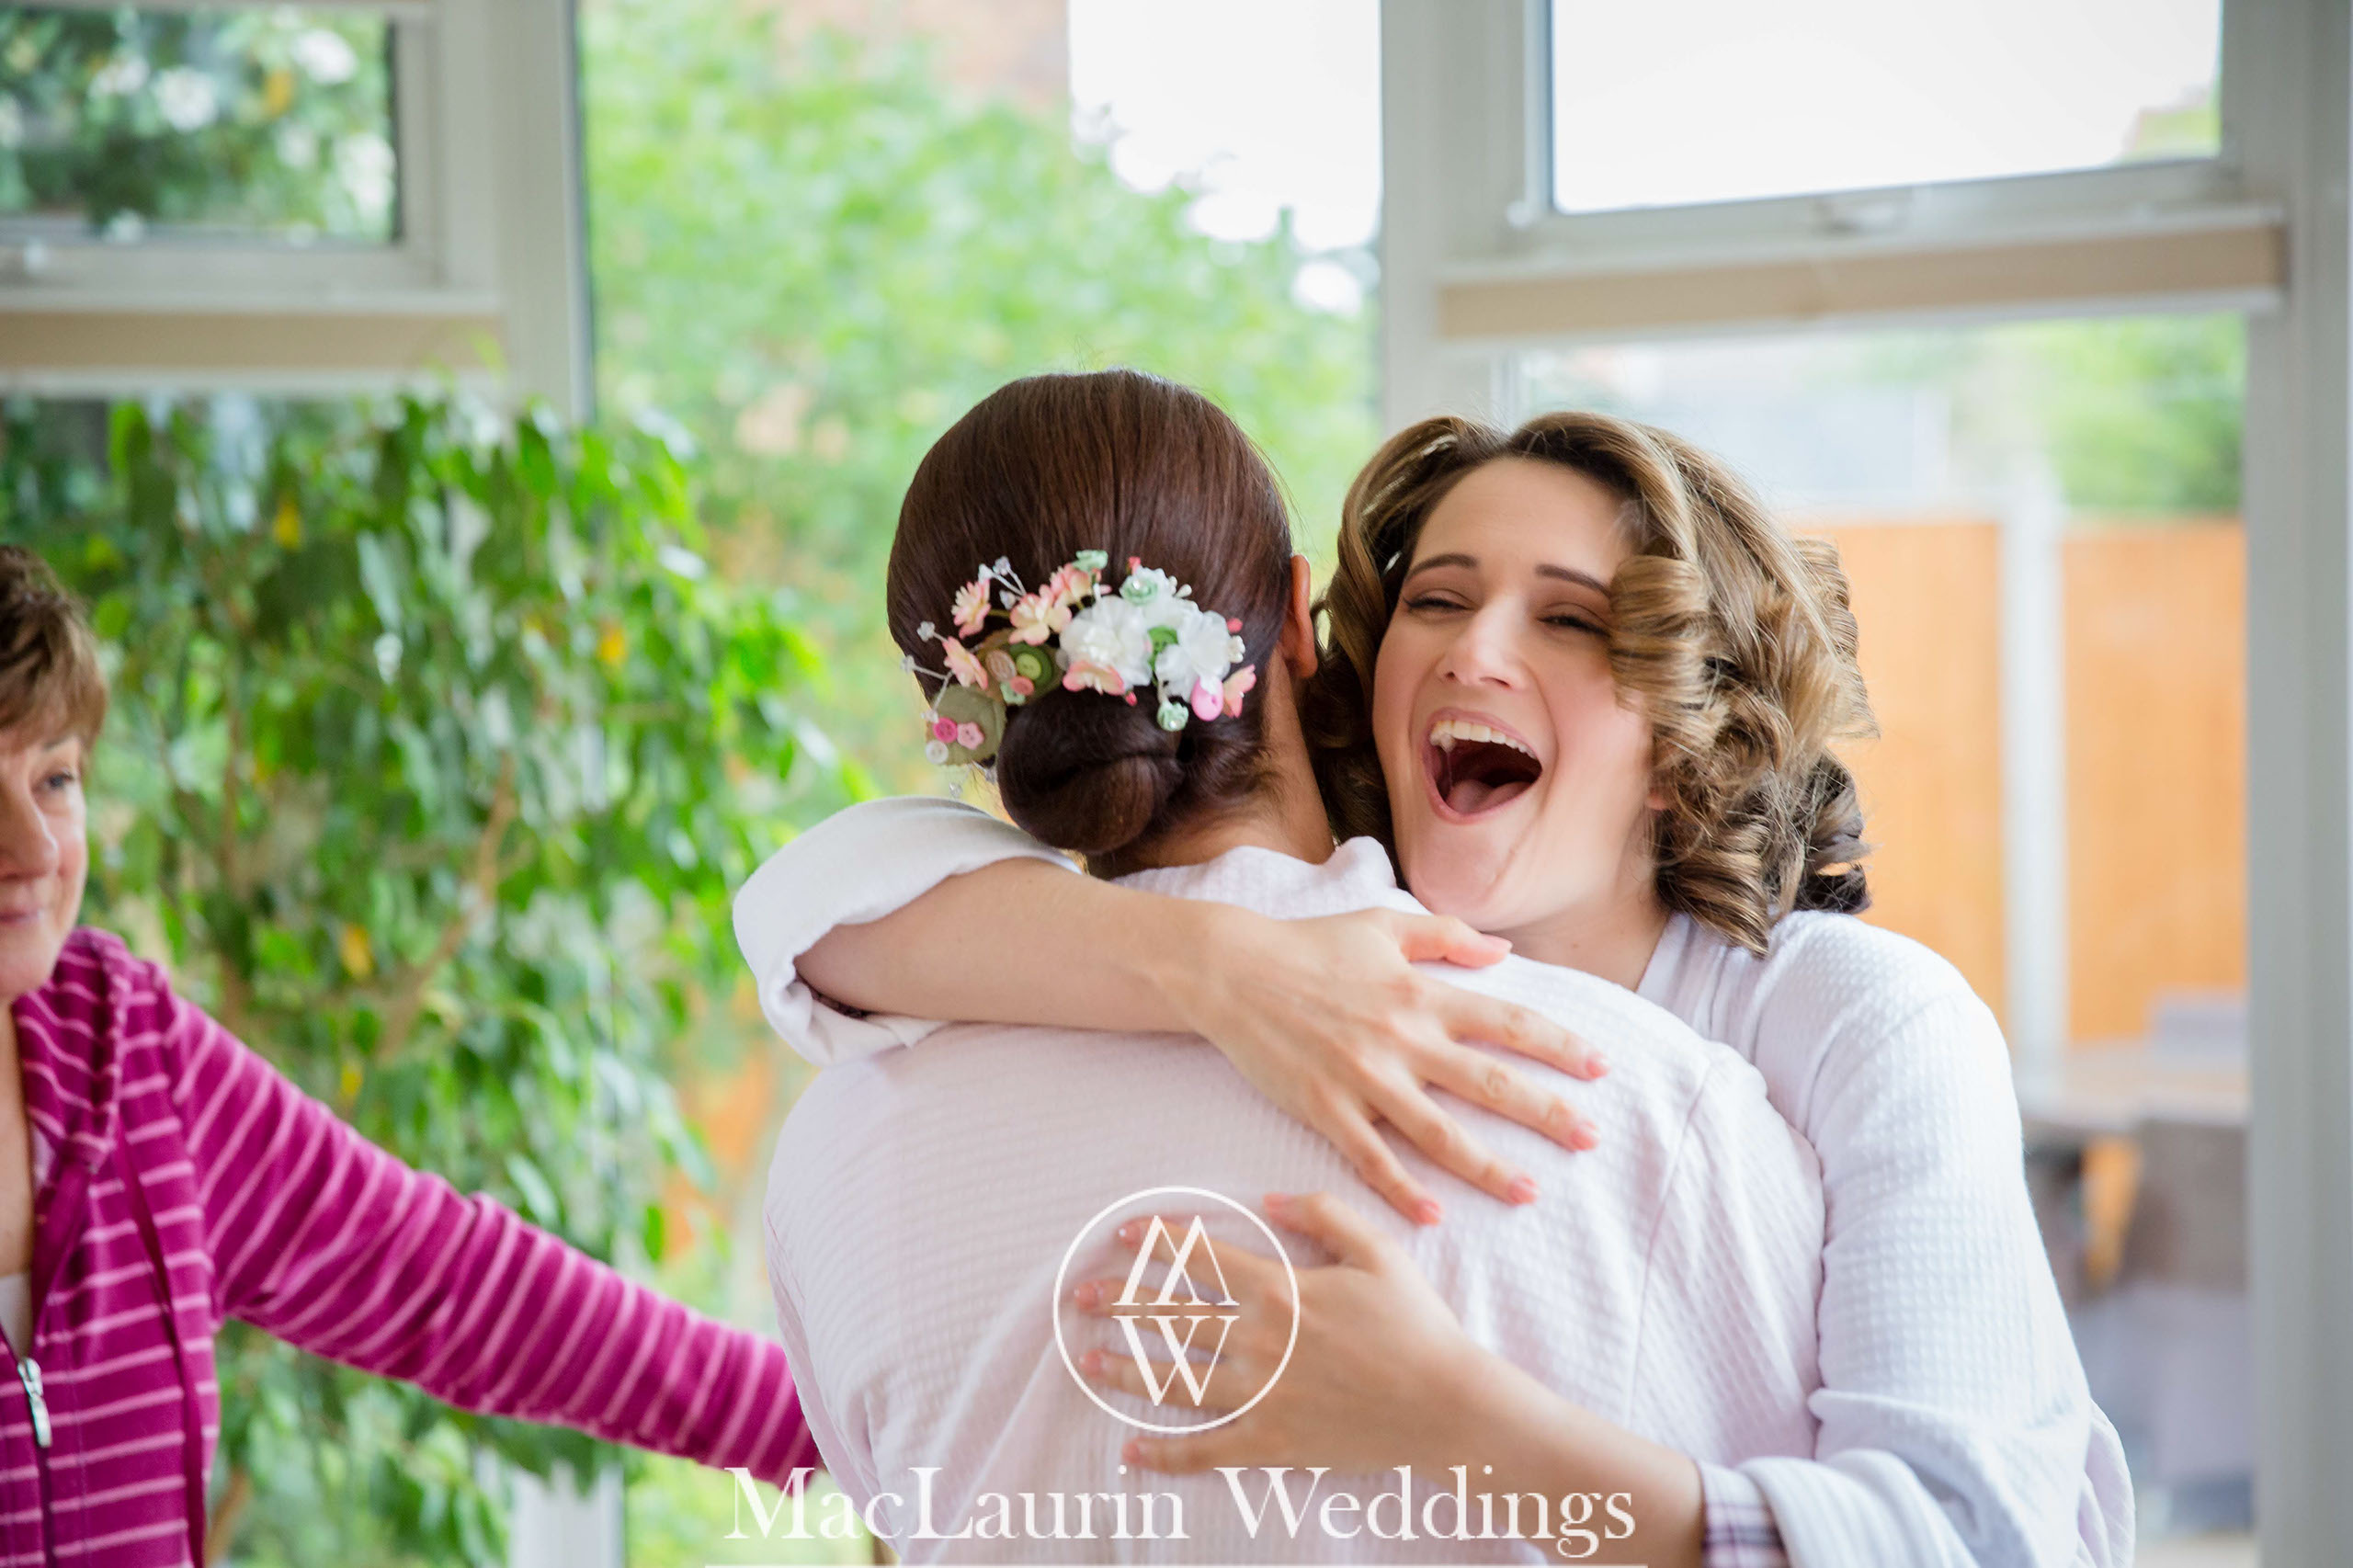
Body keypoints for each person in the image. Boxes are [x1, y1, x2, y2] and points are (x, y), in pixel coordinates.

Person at [737, 405, 2134, 1568]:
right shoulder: (1270, 967)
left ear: (1683, 728)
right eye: (1439, 599)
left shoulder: (1848, 1026)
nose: (1476, 651)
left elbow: (1984, 1535)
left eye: (1575, 622)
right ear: (1330, 644)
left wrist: (1453, 1419)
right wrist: (1220, 965)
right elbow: (818, 899)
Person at [0, 544, 813, 1567]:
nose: (32, 846)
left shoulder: (123, 1049)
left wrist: (830, 1424)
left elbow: (448, 1277)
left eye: (55, 775)